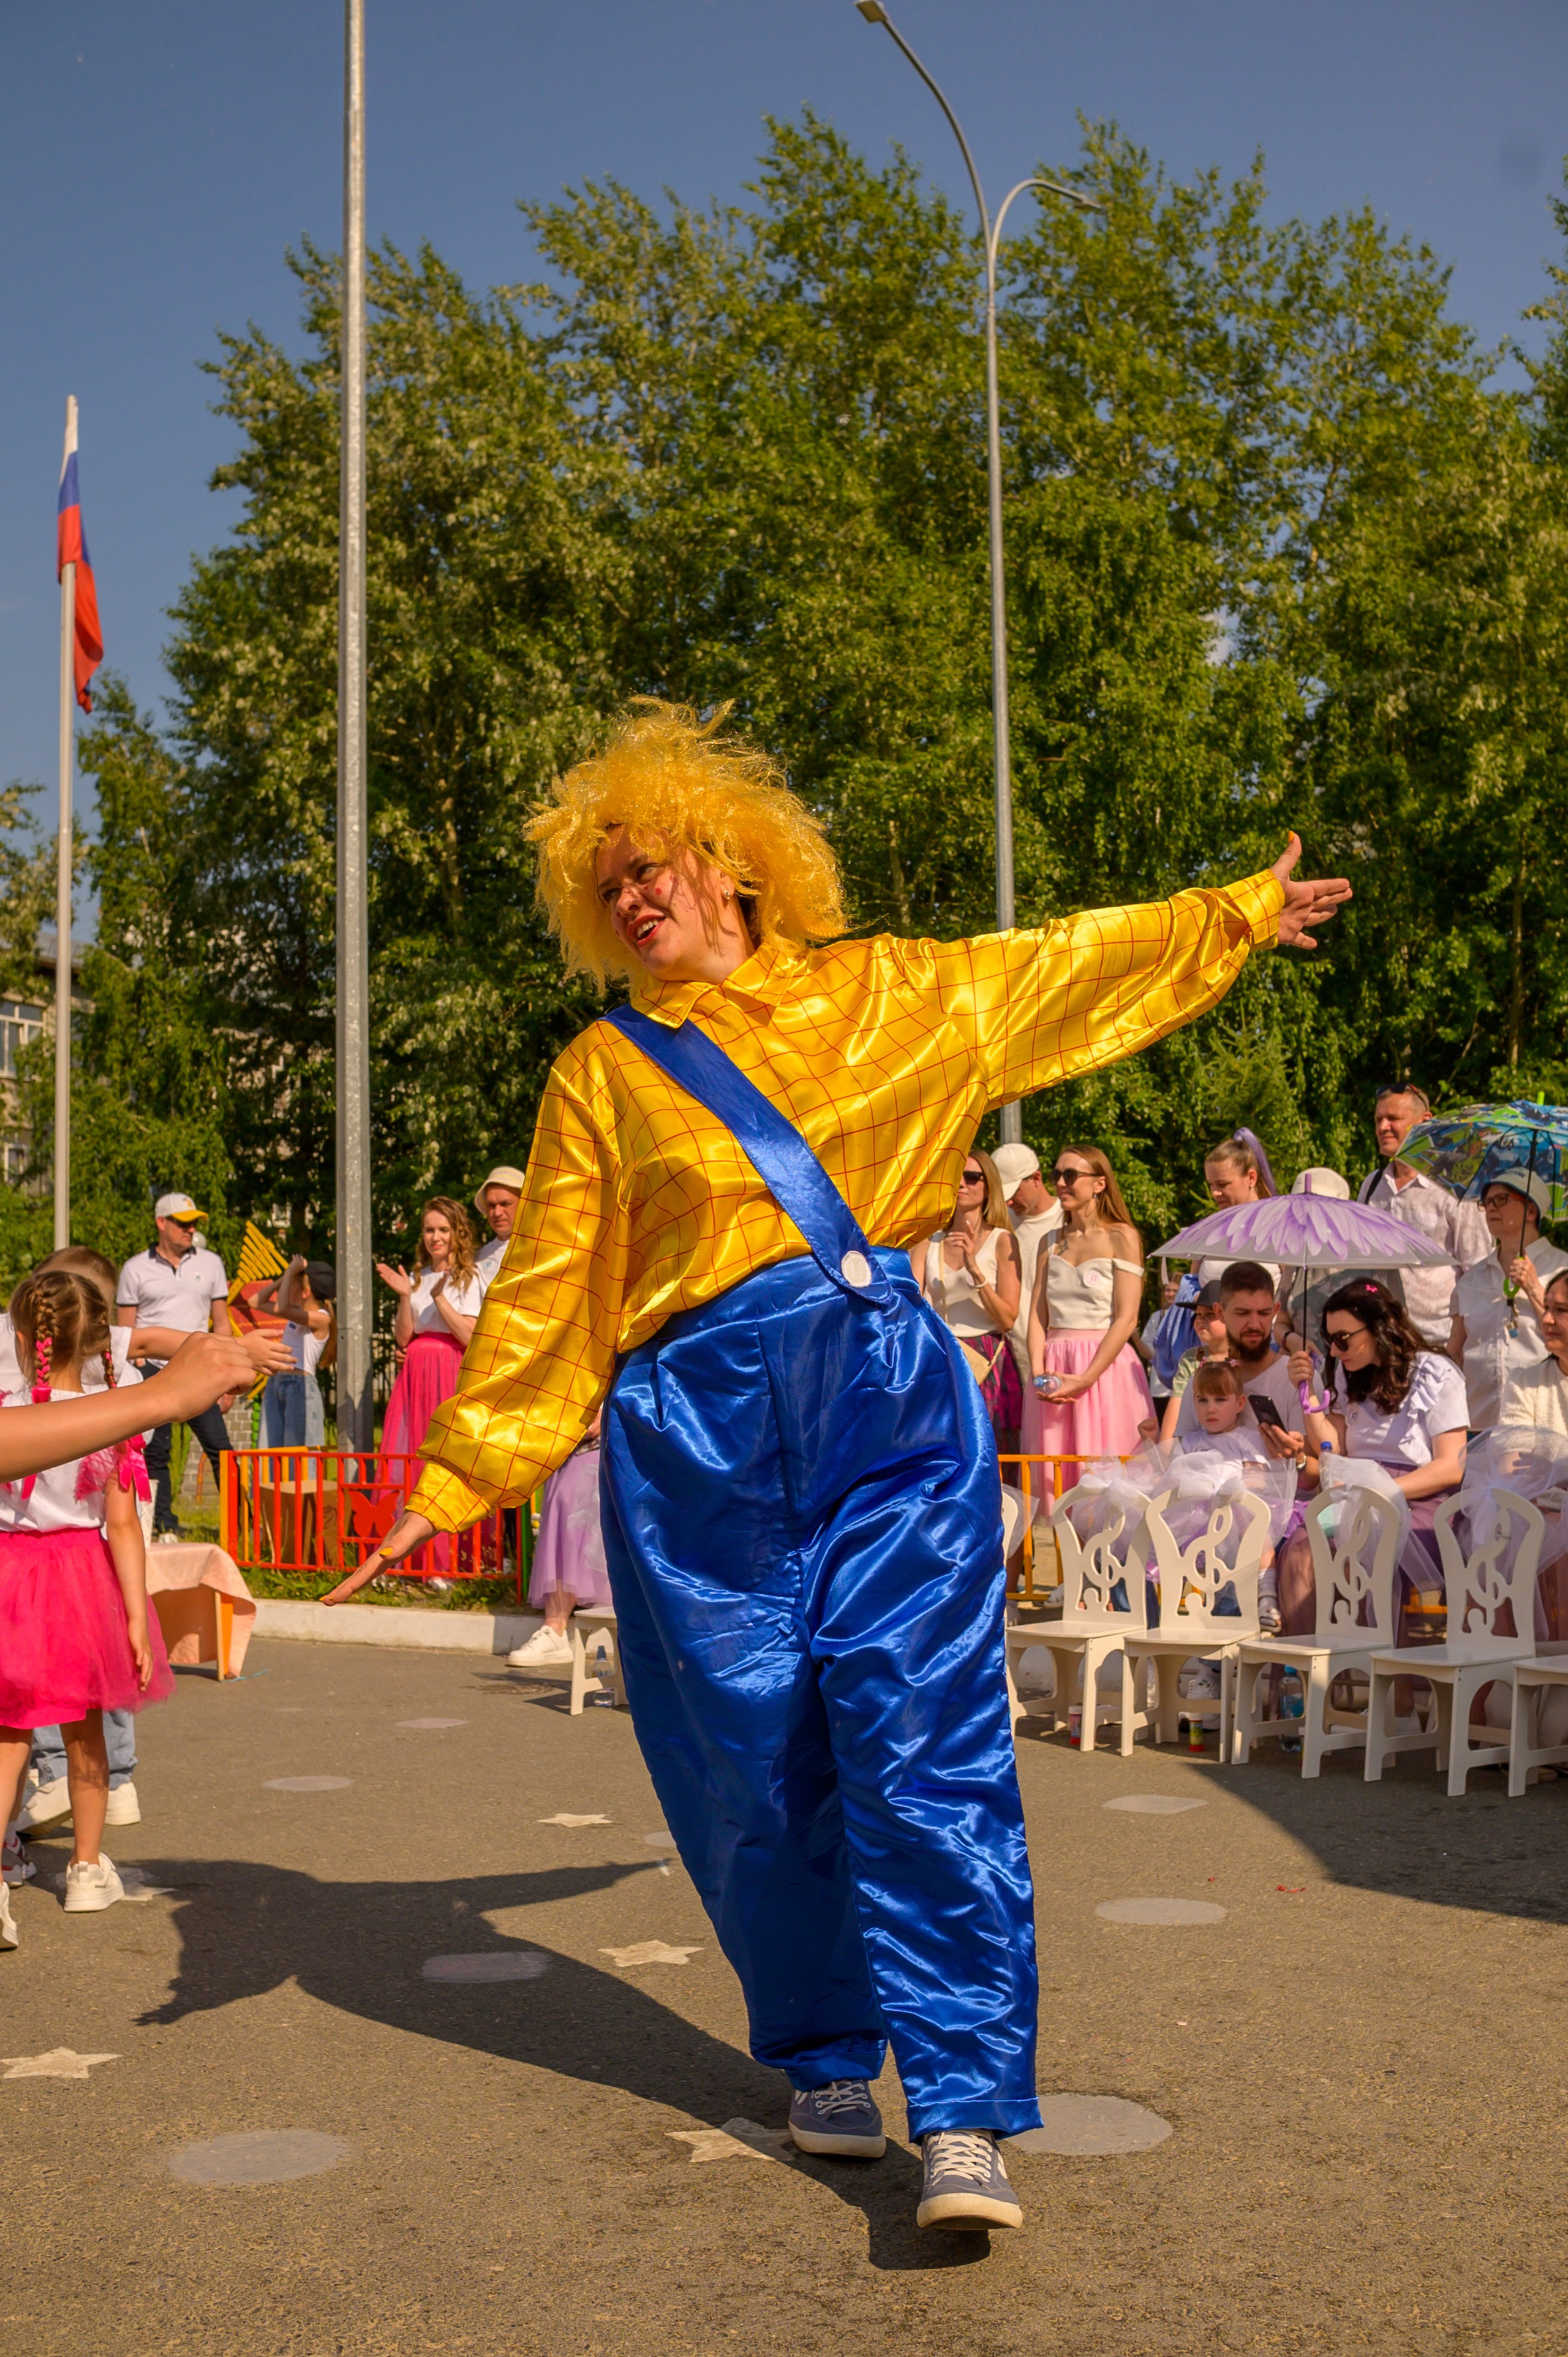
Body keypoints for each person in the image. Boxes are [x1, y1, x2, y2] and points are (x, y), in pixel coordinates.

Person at [319, 700, 1348, 2234]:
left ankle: (964, 2104)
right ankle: (819, 2049)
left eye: (652, 863)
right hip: (692, 1435)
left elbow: (1060, 963)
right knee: (753, 1763)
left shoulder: (890, 993)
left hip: (882, 1404)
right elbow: (547, 1288)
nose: (632, 896)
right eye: (607, 883)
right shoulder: (601, 1070)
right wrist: (449, 1479)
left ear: (733, 858)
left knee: (923, 1740)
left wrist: (1233, 914)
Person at [0, 1269, 176, 1948]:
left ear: (23, 1339)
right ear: (100, 1340)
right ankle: (85, 1868)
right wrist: (135, 1616)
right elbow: (124, 1525)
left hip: (11, 1571)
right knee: (86, 1730)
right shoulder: (110, 1418)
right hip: (80, 1579)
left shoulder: (9, 1410)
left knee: (9, 1734)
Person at [1282, 1277, 1468, 1633]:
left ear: (1380, 1327)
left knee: (1363, 1554)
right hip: (1357, 1497)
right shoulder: (1349, 1371)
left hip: (1419, 1501)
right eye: (1329, 1340)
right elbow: (1332, 1445)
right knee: (1302, 1549)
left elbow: (1451, 1468)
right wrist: (1306, 1395)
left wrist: (1381, 1490)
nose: (1334, 1352)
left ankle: (1376, 1665)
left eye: (1343, 1339)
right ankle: (1305, 1661)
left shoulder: (1434, 1372)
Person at [1022, 1147, 1152, 1486]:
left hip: (1105, 1366)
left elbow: (1127, 1318)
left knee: (1107, 1478)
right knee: (1055, 1478)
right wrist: (1038, 1373)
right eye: (1056, 1176)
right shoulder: (1049, 1242)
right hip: (1055, 1366)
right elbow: (1036, 1316)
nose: (1060, 1183)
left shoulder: (1122, 1237)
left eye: (1070, 1176)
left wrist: (1086, 1378)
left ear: (1099, 1183)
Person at [116, 1194, 235, 1540]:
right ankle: (163, 1525)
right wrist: (134, 1371)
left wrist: (228, 1377)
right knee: (156, 1451)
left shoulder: (212, 1263)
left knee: (221, 1450)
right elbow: (125, 1331)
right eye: (183, 1223)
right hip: (152, 1371)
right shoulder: (135, 1268)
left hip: (201, 1370)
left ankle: (240, 1527)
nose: (191, 1229)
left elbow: (222, 1323)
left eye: (194, 1222)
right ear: (161, 1223)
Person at [1359, 1085, 1490, 1346]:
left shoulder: (1453, 1188)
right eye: (1378, 1120)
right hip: (1382, 1341)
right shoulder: (1372, 1186)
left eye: (1393, 1118)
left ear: (1425, 1122)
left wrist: (1458, 1342)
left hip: (1440, 1342)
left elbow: (1478, 1271)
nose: (1383, 1127)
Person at [918, 1149, 1022, 1453]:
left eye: (972, 1177)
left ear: (989, 1187)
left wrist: (974, 1269)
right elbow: (912, 1303)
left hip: (987, 1356)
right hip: (942, 1351)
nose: (962, 1184)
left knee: (991, 1450)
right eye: (956, 1177)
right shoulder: (929, 1239)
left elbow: (1007, 1319)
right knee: (942, 1448)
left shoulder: (1002, 1240)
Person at [1447, 1175, 1568, 1432]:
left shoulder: (1562, 1269)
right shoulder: (1470, 1280)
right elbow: (1455, 1354)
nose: (1491, 1208)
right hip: (1478, 1423)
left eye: (1501, 1199)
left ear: (1531, 1211)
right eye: (1486, 1202)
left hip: (1544, 1421)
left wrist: (1534, 1289)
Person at [377, 1200, 488, 1461]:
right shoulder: (417, 1277)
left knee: (448, 1446)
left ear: (457, 1233)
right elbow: (403, 1338)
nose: (435, 1238)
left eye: (443, 1230)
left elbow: (469, 1336)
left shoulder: (469, 1276)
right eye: (429, 1230)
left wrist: (440, 1299)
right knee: (415, 1442)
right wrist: (405, 1297)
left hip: (451, 1368)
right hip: (416, 1371)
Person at [505, 1410, 614, 1667]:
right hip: (571, 1431)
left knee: (574, 1504)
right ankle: (555, 1628)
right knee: (563, 1505)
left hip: (622, 1422)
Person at [990, 1144, 1060, 1393]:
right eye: (1003, 1195)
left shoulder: (1067, 1221)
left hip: (1053, 1358)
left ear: (1036, 1179)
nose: (1009, 1201)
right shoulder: (998, 1224)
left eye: (1014, 1191)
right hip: (1004, 1358)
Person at [258, 1259, 337, 1447]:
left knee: (298, 1457)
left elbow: (281, 1307)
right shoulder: (294, 1313)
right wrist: (287, 1275)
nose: (287, 1288)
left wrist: (290, 1272)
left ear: (305, 1293)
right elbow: (256, 1302)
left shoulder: (322, 1318)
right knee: (269, 1454)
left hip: (299, 1386)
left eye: (292, 1284)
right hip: (276, 1383)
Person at [1196, 1130, 1282, 1290]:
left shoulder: (1279, 1227)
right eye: (1211, 1184)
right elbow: (1193, 1281)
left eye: (1223, 1184)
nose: (1215, 1193)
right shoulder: (1209, 1230)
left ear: (1251, 1179)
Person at [1498, 1267, 1568, 1443]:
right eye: (1546, 1308)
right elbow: (1512, 1457)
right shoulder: (1524, 1384)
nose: (1546, 1319)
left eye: (1561, 1309)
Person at [1156, 1281, 1231, 1440]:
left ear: (1230, 1318)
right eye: (1198, 1314)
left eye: (1210, 1314)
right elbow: (1177, 1405)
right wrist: (1166, 1449)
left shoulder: (1244, 1359)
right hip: (1199, 1442)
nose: (1200, 1320)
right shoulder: (1192, 1359)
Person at [473, 1165, 525, 1285]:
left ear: (523, 1203)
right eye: (491, 1205)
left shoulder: (542, 1249)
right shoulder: (479, 1257)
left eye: (505, 1204)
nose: (497, 1213)